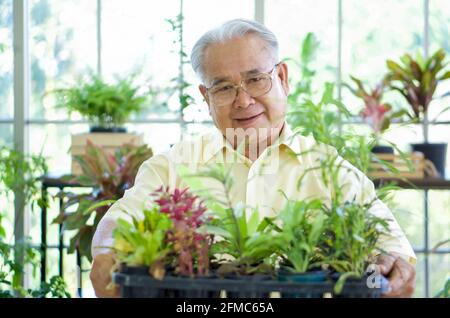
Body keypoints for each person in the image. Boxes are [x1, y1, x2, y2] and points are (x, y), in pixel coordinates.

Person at [90, 19, 416, 298]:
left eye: (256, 79)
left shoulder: (332, 172)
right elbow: (121, 218)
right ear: (206, 97)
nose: (243, 101)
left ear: (283, 78)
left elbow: (392, 249)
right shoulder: (172, 168)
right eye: (223, 88)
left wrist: (391, 265)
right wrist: (106, 252)